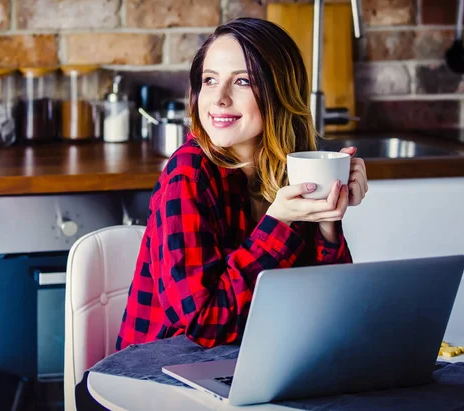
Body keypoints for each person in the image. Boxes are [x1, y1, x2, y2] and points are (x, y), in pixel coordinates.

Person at [75, 17, 368, 409]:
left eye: (242, 81)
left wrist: (330, 222)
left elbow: (328, 319)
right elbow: (205, 324)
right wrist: (276, 223)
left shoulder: (289, 175)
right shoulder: (188, 173)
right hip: (154, 383)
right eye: (209, 80)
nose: (219, 98)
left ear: (280, 92)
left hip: (252, 373)